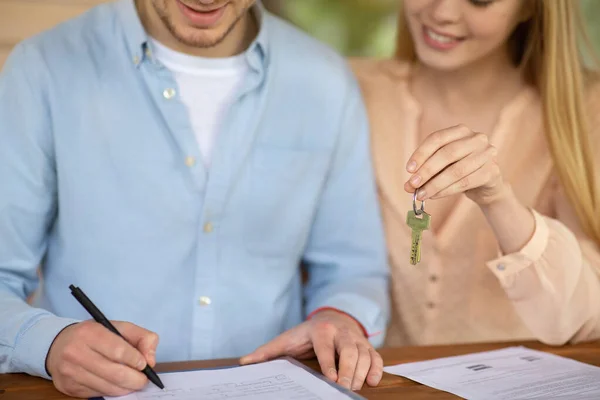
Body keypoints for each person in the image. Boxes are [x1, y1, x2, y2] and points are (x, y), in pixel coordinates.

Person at [0, 0, 390, 397]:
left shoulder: (325, 81)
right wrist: (48, 343)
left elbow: (353, 268)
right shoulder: (44, 68)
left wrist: (338, 319)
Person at [351, 0, 600, 348]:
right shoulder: (353, 89)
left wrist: (498, 200)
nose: (443, 12)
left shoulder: (585, 111)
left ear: (531, 8)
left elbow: (586, 318)